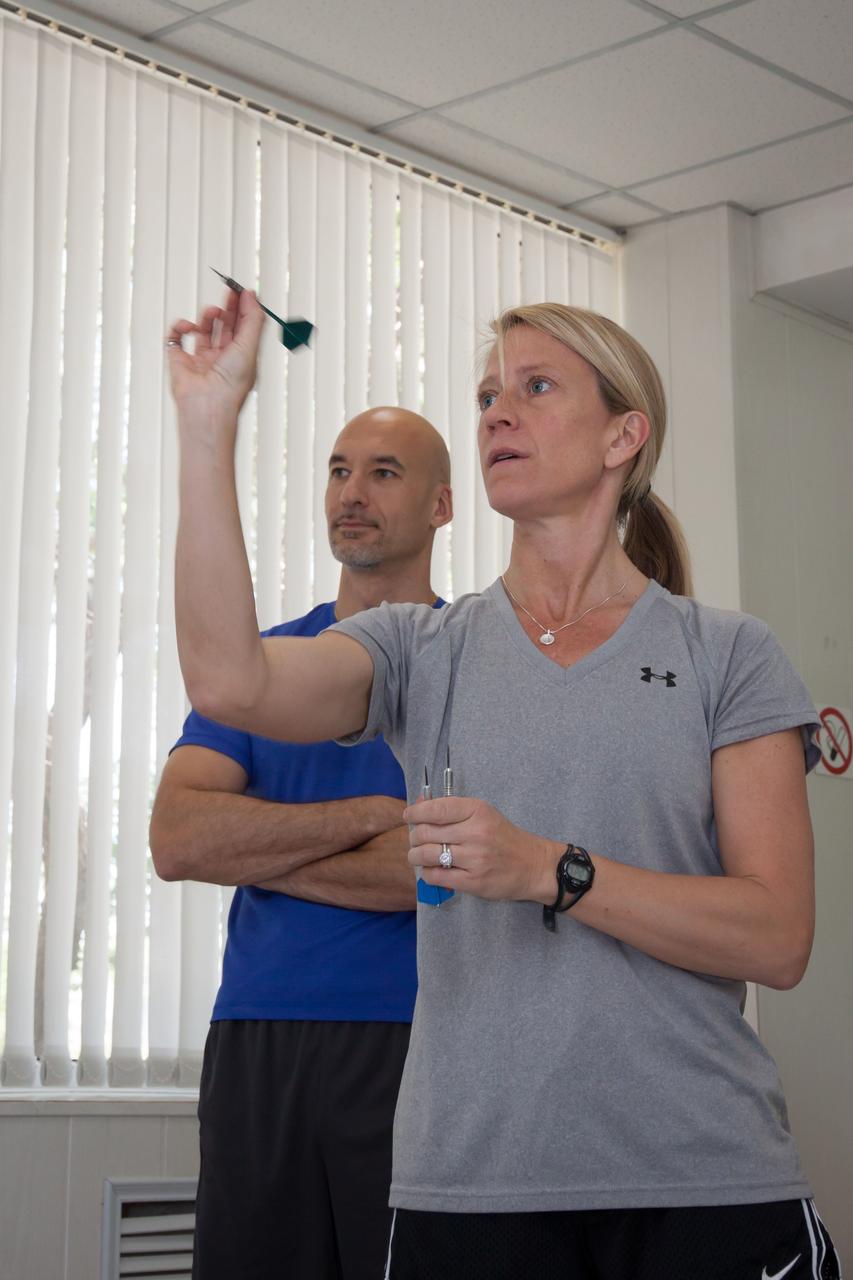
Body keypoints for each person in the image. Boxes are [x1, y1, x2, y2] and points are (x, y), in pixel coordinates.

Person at [168, 288, 841, 1280]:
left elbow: (776, 935)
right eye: (487, 395)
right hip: (470, 1189)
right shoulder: (417, 646)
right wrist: (205, 426)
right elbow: (232, 680)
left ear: (623, 434)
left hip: (703, 1177)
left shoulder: (725, 655)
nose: (496, 414)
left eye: (533, 387)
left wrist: (549, 868)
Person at [152, 298, 452, 1280]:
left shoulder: (474, 665)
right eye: (337, 469)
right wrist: (367, 819)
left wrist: (268, 850)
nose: (351, 492)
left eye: (383, 471)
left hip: (418, 1039)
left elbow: (441, 872)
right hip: (257, 1040)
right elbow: (180, 838)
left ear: (442, 503)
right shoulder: (261, 660)